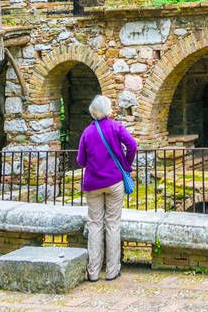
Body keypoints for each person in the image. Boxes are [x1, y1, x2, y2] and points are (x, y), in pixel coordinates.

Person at [77, 95, 137, 282]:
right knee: (112, 224)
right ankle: (112, 270)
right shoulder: (116, 127)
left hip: (93, 184)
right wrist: (126, 165)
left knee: (95, 224)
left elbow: (80, 161)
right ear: (108, 110)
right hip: (114, 182)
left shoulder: (87, 132)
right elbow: (132, 145)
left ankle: (93, 271)